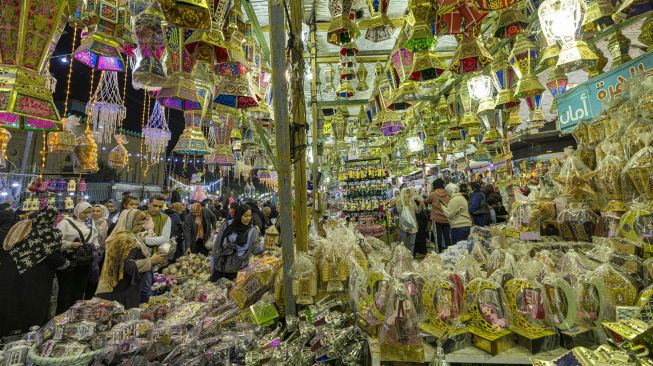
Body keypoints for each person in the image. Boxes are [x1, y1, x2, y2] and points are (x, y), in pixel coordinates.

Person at [0, 206, 69, 337]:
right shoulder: (50, 233)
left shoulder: (22, 227)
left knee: (12, 304)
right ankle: (30, 335)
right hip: (37, 278)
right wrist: (67, 264)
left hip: (11, 273)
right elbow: (53, 257)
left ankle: (9, 334)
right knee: (32, 307)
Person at [96, 209, 167, 309]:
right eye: (137, 225)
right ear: (129, 222)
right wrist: (150, 261)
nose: (140, 228)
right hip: (121, 288)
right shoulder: (126, 239)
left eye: (141, 224)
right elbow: (127, 266)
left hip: (121, 286)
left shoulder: (127, 235)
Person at [56, 202, 100, 313]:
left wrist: (93, 247)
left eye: (88, 213)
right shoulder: (65, 223)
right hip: (69, 261)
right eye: (84, 212)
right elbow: (56, 241)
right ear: (77, 211)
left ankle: (76, 315)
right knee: (66, 290)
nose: (86, 215)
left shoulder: (90, 223)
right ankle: (62, 315)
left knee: (80, 290)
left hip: (85, 262)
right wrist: (70, 244)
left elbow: (95, 240)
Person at [210, 204, 263, 281]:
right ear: (239, 215)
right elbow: (217, 244)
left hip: (238, 270)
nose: (248, 218)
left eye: (250, 215)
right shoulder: (227, 225)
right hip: (221, 267)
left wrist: (265, 246)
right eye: (245, 216)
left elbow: (255, 250)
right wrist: (213, 261)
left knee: (233, 292)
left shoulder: (252, 231)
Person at [140, 195, 170, 303]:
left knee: (146, 287)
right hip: (134, 257)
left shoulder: (166, 218)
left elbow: (164, 239)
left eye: (160, 207)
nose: (157, 209)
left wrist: (144, 239)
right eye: (154, 205)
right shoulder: (139, 215)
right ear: (149, 203)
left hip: (152, 257)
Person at [425, 178, 452, 253]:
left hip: (436, 219)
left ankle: (439, 253)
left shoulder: (433, 194)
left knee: (438, 238)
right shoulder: (448, 193)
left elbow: (427, 201)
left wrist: (431, 191)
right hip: (446, 218)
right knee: (447, 237)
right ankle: (449, 252)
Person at [396, 188, 423, 256]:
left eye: (408, 192)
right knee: (402, 244)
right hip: (404, 224)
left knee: (411, 244)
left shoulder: (412, 201)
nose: (407, 194)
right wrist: (405, 204)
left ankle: (410, 258)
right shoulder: (399, 201)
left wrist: (420, 205)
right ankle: (402, 259)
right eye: (406, 192)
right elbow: (399, 211)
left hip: (413, 225)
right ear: (402, 193)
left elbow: (417, 211)